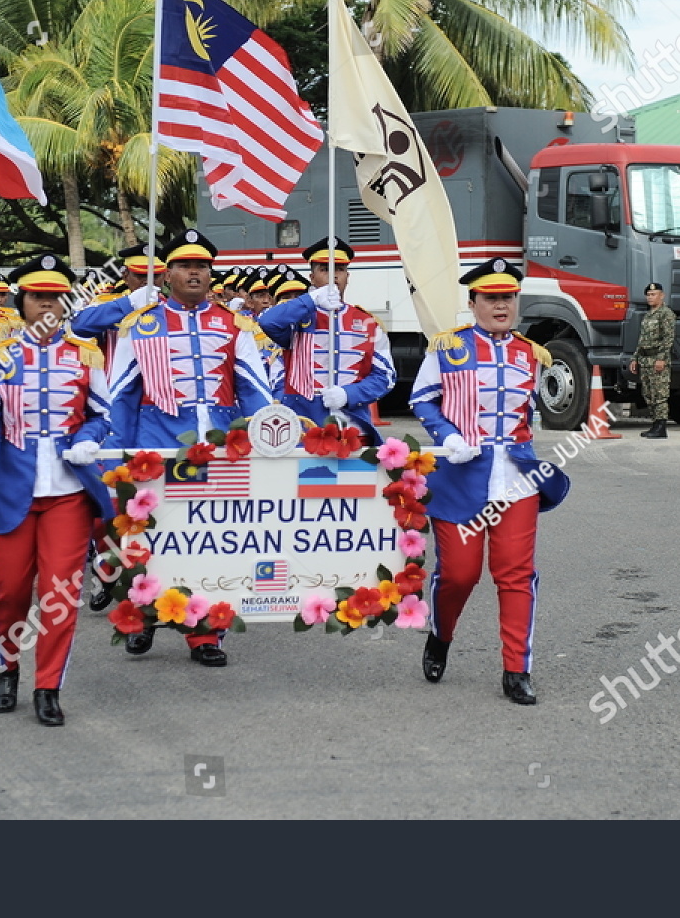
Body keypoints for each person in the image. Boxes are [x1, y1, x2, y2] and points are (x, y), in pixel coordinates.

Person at [103, 228, 274, 666]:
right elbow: (121, 393)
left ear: (211, 274)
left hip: (218, 445)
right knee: (148, 543)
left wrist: (271, 432)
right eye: (184, 266)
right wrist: (115, 453)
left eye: (201, 266)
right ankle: (142, 619)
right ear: (167, 274)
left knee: (212, 542)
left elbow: (254, 389)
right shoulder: (140, 324)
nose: (194, 273)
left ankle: (206, 635)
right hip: (156, 446)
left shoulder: (235, 324)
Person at [409, 258, 570, 705]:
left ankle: (517, 669)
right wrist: (449, 435)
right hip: (462, 476)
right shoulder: (447, 347)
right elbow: (422, 398)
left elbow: (528, 413)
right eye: (491, 297)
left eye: (509, 297)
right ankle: (441, 636)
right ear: (472, 301)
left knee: (516, 574)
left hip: (516, 477)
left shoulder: (530, 354)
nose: (502, 305)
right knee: (460, 574)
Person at [0, 256, 112, 726]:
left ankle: (48, 684)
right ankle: (6, 667)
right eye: (37, 296)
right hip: (11, 490)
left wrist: (89, 439)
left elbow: (102, 415)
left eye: (54, 296)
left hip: (68, 493)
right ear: (22, 301)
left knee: (60, 594)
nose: (46, 304)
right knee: (9, 590)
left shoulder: (86, 355)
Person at [257, 236, 395, 443]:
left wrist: (350, 394)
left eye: (338, 269)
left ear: (348, 276)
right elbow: (268, 321)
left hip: (355, 428)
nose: (333, 276)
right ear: (312, 277)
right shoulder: (298, 318)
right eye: (324, 269)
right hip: (304, 427)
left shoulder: (367, 322)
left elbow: (385, 376)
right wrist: (311, 299)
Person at [632, 282, 677, 439]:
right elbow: (642, 339)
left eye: (654, 294)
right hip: (645, 359)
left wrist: (661, 358)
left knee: (660, 394)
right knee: (648, 394)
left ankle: (661, 426)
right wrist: (635, 358)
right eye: (648, 295)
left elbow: (668, 338)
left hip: (657, 358)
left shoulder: (666, 314)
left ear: (662, 295)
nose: (650, 297)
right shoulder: (648, 315)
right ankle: (654, 424)